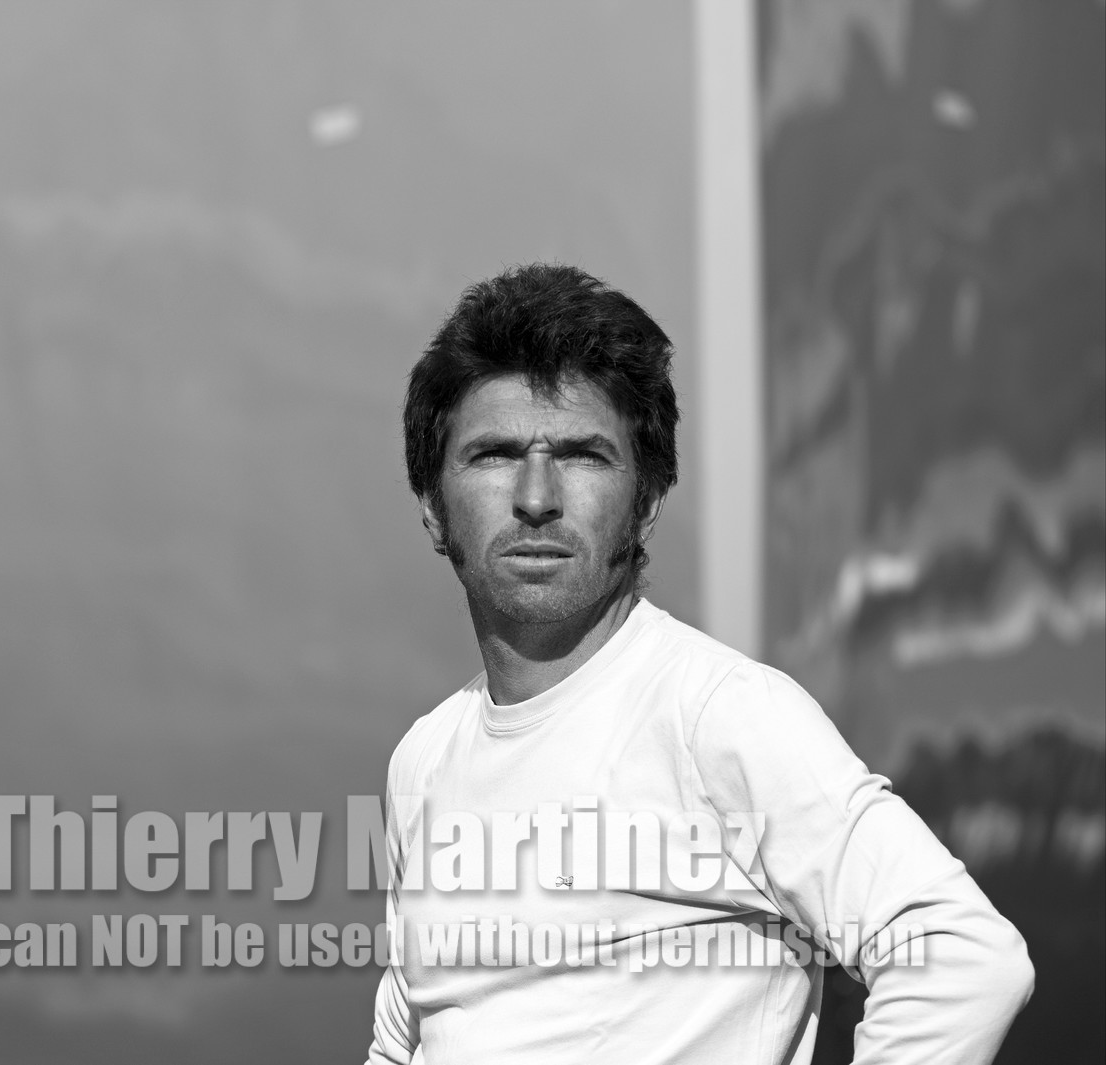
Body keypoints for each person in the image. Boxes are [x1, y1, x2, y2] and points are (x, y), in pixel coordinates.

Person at [364, 263, 1033, 1064]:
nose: (536, 496)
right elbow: (403, 1041)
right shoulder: (426, 757)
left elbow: (961, 956)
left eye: (581, 455)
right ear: (433, 509)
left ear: (646, 501)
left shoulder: (719, 715)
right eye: (495, 454)